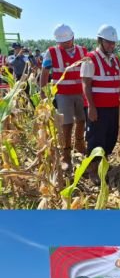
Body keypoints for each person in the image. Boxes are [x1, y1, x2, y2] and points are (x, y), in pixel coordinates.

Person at [40, 24, 88, 170]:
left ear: (73, 37)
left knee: (82, 120)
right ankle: (65, 155)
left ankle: (79, 144)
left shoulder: (83, 51)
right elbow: (45, 72)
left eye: (67, 41)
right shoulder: (51, 52)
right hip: (62, 93)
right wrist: (43, 92)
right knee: (66, 124)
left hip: (81, 92)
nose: (65, 44)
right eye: (62, 42)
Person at [80, 25, 120, 177]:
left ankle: (103, 164)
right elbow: (86, 84)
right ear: (100, 40)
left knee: (111, 136)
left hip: (113, 106)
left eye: (113, 43)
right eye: (108, 42)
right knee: (95, 138)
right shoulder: (89, 59)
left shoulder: (115, 60)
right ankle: (92, 170)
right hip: (98, 107)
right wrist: (91, 107)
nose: (111, 45)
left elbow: (118, 81)